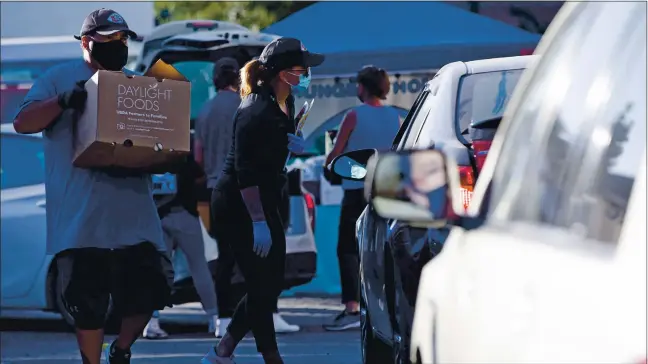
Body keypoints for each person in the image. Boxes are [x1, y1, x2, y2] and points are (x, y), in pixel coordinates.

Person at [12, 8, 173, 364]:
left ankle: (122, 349)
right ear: (87, 42)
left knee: (152, 292)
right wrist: (64, 101)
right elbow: (23, 122)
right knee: (87, 305)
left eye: (122, 40)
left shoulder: (136, 85)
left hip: (136, 219)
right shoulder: (57, 78)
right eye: (109, 40)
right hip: (82, 223)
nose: (118, 46)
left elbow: (159, 139)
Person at [201, 37, 324, 364]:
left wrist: (291, 145)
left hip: (266, 198)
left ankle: (223, 351)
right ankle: (268, 357)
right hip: (239, 203)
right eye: (301, 69)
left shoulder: (287, 101)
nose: (306, 75)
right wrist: (258, 221)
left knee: (269, 284)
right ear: (283, 72)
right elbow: (244, 172)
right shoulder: (254, 109)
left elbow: (272, 153)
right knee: (260, 284)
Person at [195, 57, 299, 337]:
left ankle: (222, 318)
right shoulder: (249, 105)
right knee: (265, 267)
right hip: (249, 190)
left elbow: (198, 157)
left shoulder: (204, 111)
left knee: (225, 258)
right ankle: (268, 315)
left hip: (217, 192)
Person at [323, 65, 401, 331]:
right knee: (382, 247)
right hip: (385, 188)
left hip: (356, 189)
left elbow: (335, 154)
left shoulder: (353, 115)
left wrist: (330, 158)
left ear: (362, 87)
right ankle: (385, 303)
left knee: (347, 247)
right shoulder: (395, 117)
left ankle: (352, 306)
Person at [143, 152, 219, 339]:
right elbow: (200, 176)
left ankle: (151, 321)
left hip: (157, 216)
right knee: (199, 267)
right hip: (185, 214)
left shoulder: (149, 154)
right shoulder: (181, 154)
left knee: (158, 271)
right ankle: (215, 318)